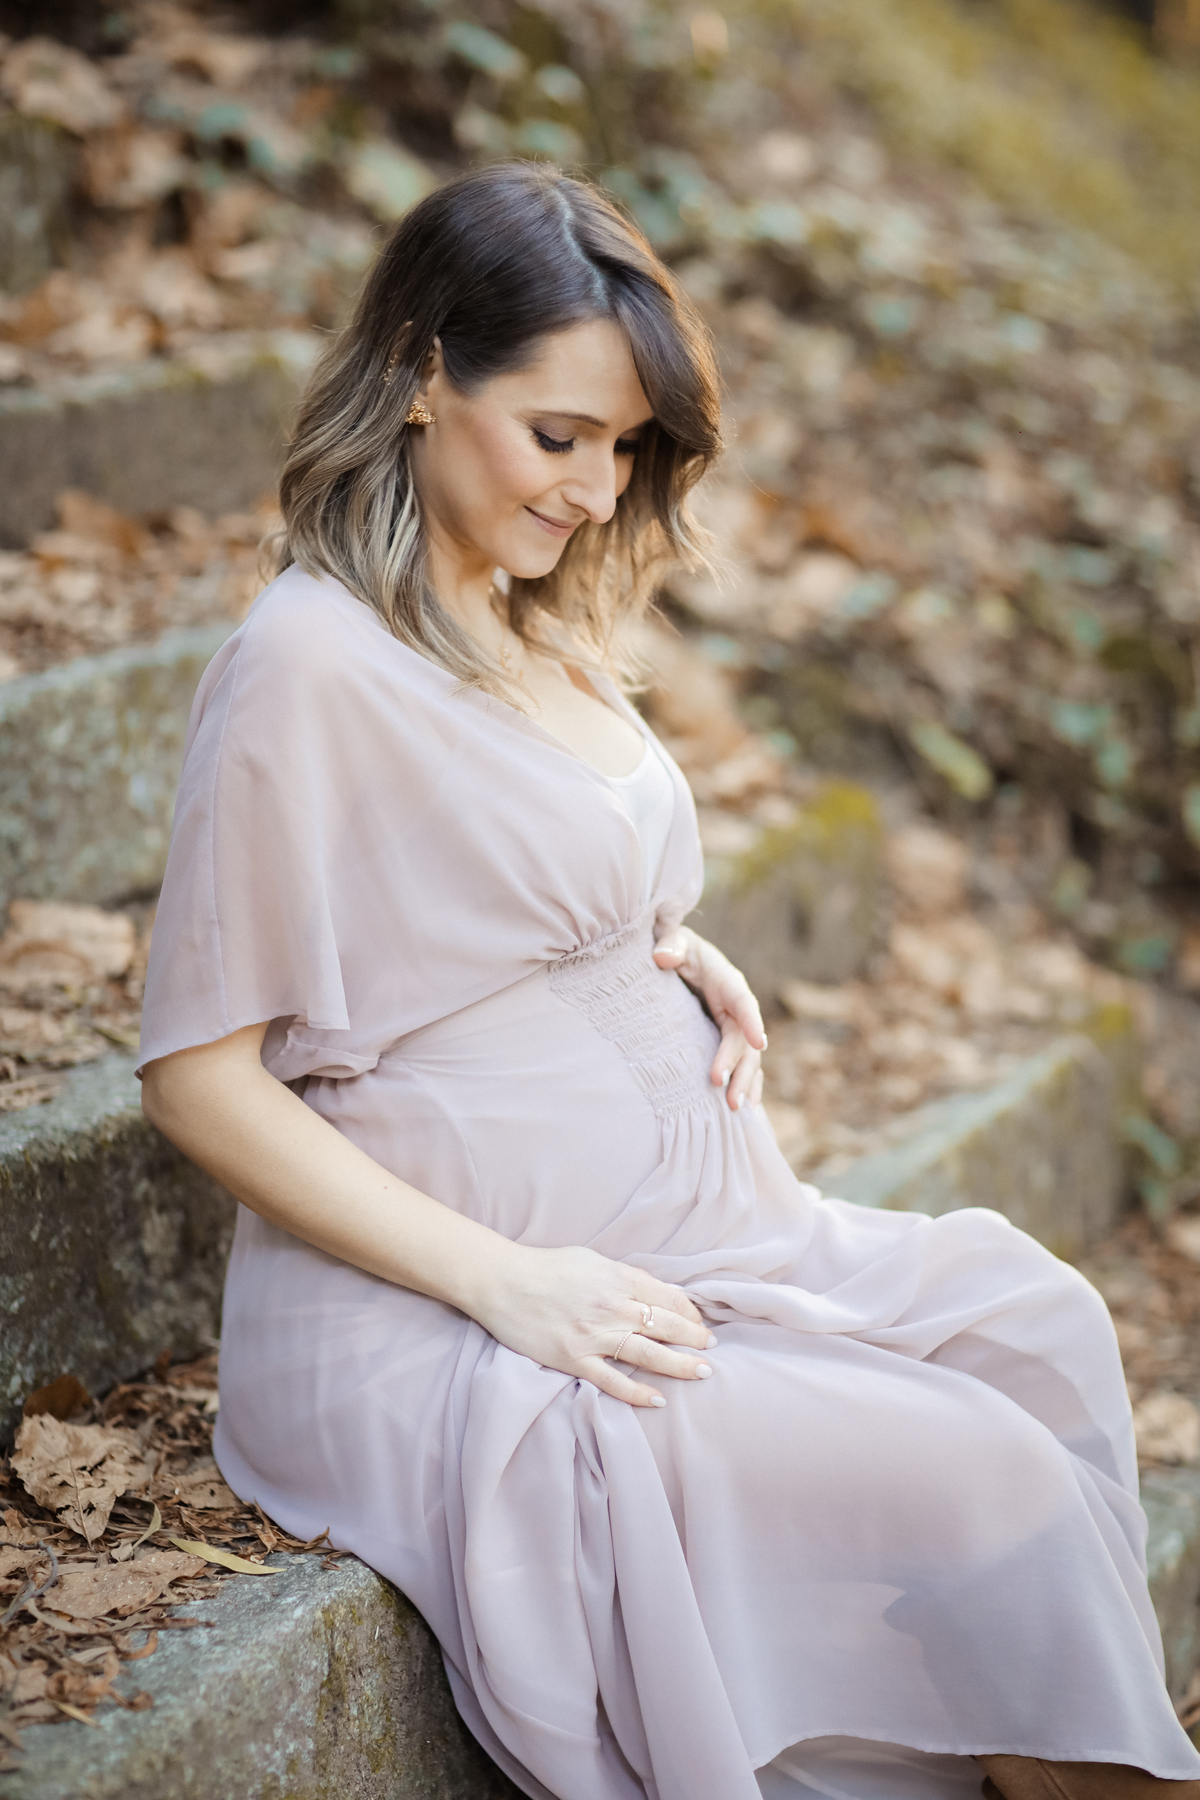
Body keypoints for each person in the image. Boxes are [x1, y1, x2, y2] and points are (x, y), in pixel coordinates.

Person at [137, 162, 1200, 1800]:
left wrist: (646, 943)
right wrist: (509, 1285)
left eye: (623, 446)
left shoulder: (527, 613)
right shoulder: (306, 662)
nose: (591, 485)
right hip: (456, 1306)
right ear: (423, 373)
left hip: (698, 1228)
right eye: (556, 434)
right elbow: (196, 1076)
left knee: (1029, 1326)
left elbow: (488, 890)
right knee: (986, 1473)